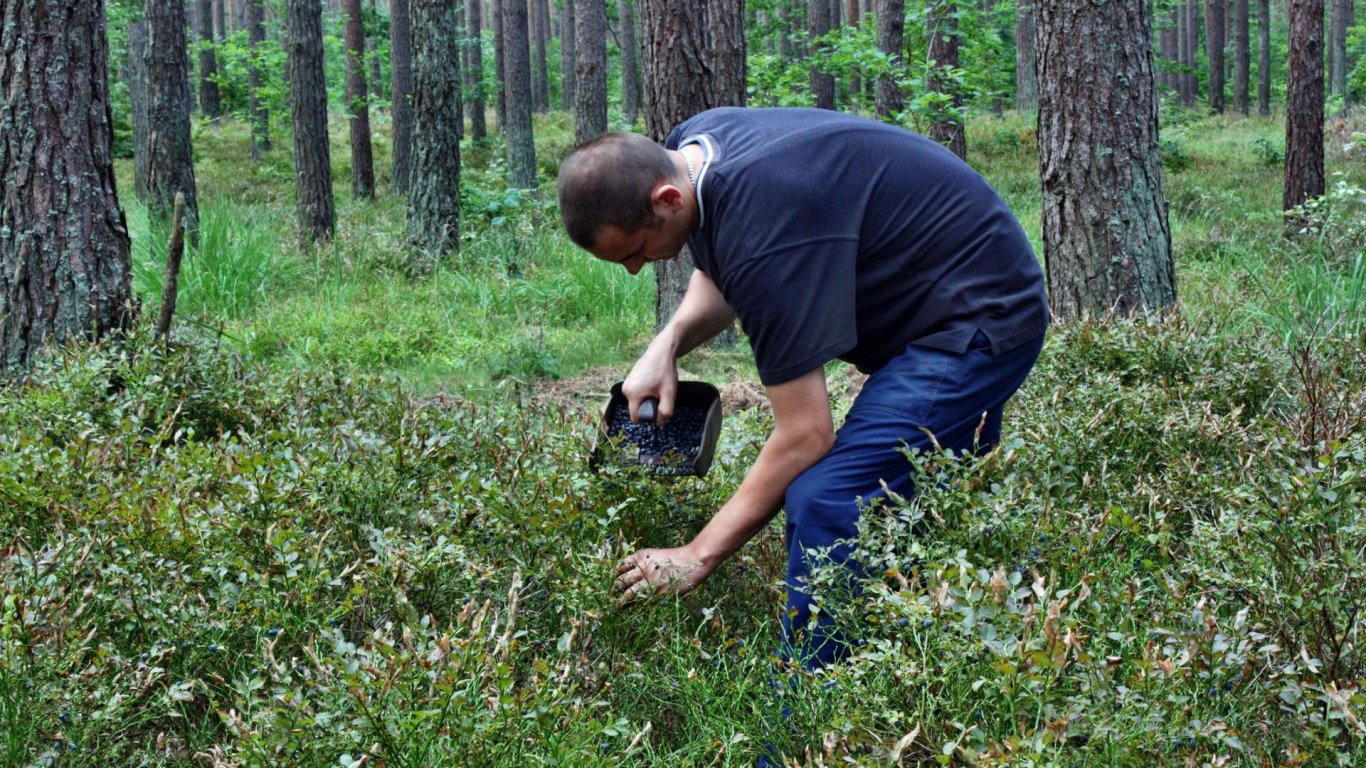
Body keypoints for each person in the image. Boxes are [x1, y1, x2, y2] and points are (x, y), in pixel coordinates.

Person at [557, 107, 1048, 671]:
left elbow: (806, 434)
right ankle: (935, 663)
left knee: (828, 498)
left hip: (978, 318)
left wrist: (697, 555)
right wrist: (665, 345)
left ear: (668, 198)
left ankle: (813, 722)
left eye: (638, 251)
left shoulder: (764, 230)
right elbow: (722, 266)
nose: (636, 270)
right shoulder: (692, 148)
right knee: (918, 506)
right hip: (942, 300)